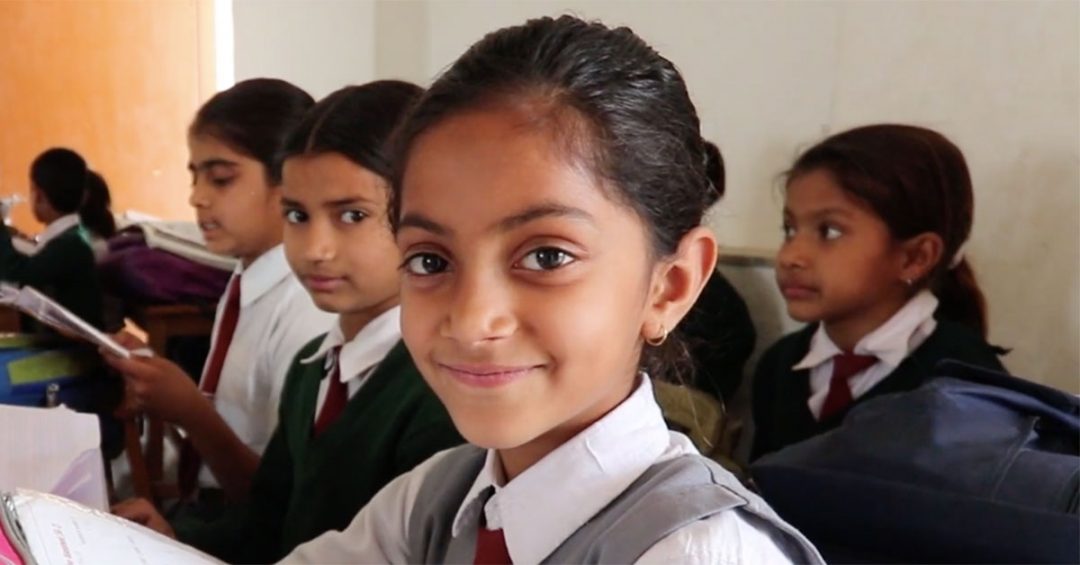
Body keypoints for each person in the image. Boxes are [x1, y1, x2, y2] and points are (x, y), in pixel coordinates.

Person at [285, 16, 821, 564]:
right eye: (430, 260)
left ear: (670, 286)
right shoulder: (432, 503)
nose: (471, 321)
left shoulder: (699, 552)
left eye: (547, 256)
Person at [751, 124, 1006, 460]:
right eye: (790, 229)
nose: (790, 257)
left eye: (829, 231)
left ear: (915, 257)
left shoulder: (967, 385)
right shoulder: (780, 364)